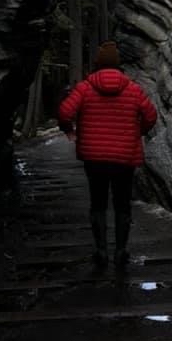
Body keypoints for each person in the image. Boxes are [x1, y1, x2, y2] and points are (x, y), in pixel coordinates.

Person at [58, 41, 157, 269]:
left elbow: (64, 112)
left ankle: (101, 251)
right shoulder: (133, 89)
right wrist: (139, 132)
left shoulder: (85, 87)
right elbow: (151, 116)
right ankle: (120, 251)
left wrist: (69, 130)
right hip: (124, 158)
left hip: (94, 158)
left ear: (98, 64)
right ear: (118, 64)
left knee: (98, 204)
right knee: (122, 205)